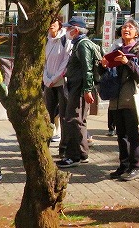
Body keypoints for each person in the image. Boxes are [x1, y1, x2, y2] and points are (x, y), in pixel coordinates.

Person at [107, 19, 139, 180]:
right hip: (117, 97)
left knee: (133, 134)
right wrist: (104, 64)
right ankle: (123, 165)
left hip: (132, 97)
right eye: (124, 26)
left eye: (130, 27)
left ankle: (135, 165)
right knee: (121, 134)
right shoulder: (116, 48)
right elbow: (108, 72)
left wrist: (127, 62)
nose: (126, 29)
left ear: (137, 33)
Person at [56, 16, 99, 168]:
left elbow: (87, 69)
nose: (66, 31)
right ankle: (81, 153)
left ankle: (74, 156)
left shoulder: (82, 45)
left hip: (79, 88)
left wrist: (87, 89)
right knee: (78, 120)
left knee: (73, 119)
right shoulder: (78, 44)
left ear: (75, 30)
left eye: (68, 29)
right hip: (77, 86)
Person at [43, 16, 71, 146]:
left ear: (59, 23)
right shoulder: (45, 39)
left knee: (64, 115)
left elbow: (66, 62)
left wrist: (54, 79)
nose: (51, 24)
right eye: (49, 21)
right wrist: (46, 79)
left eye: (53, 21)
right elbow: (43, 61)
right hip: (48, 82)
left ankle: (64, 147)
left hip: (61, 82)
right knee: (48, 114)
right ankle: (46, 143)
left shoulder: (66, 39)